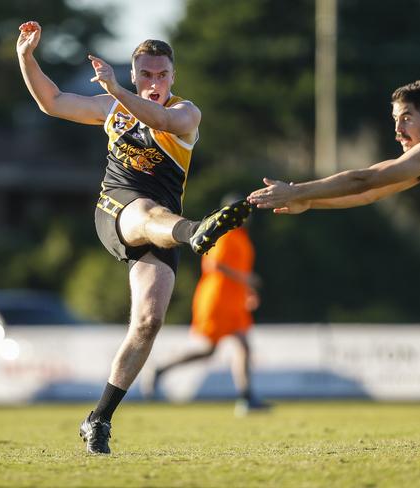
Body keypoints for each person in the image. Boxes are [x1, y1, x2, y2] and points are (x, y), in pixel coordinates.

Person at [249, 79, 420, 453]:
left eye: (406, 119)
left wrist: (297, 190)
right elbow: (369, 191)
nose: (398, 129)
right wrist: (309, 203)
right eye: (395, 120)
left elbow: (365, 178)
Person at [16, 21, 250, 454]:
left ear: (173, 77)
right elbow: (52, 101)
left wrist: (117, 90)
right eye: (146, 75)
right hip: (118, 210)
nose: (155, 83)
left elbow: (159, 118)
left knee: (148, 322)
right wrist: (26, 58)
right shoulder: (112, 107)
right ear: (134, 73)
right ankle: (196, 231)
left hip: (162, 228)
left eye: (162, 75)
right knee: (147, 212)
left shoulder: (187, 113)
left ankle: (98, 418)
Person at [141, 194, 269, 416]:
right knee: (216, 349)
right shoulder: (225, 234)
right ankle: (160, 369)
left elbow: (238, 268)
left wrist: (246, 290)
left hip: (234, 300)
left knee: (233, 348)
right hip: (217, 299)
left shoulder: (241, 237)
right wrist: (246, 280)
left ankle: (247, 397)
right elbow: (214, 264)